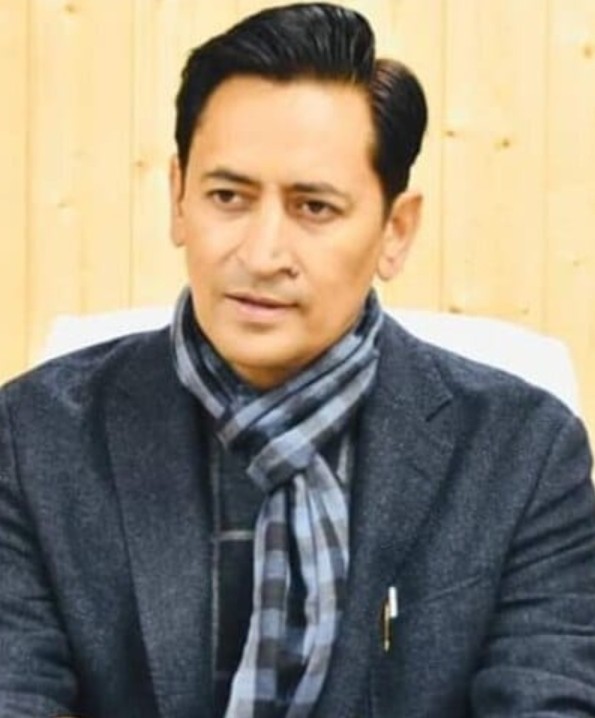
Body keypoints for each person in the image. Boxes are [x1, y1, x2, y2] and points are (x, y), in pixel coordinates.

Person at [1, 3, 595, 717]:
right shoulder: (33, 439)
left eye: (313, 208)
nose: (261, 255)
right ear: (178, 199)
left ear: (395, 231)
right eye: (228, 196)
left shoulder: (523, 455)